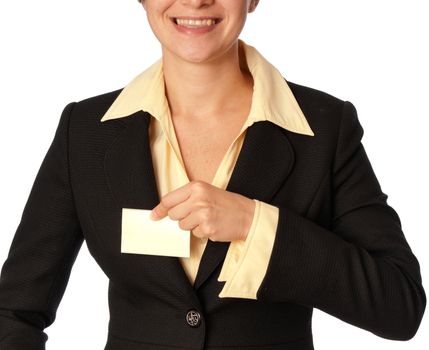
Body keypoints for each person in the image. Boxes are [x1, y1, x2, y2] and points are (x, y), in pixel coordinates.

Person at [0, 0, 426, 349]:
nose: (195, 1)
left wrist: (255, 225)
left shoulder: (324, 129)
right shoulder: (86, 131)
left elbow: (400, 305)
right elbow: (14, 312)